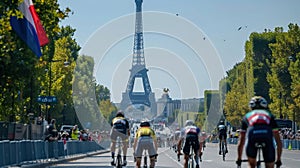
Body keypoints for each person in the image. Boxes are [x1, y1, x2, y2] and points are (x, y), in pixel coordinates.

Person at [236, 96, 282, 168]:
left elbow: (241, 141)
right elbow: (278, 141)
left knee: (251, 164)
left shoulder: (247, 116)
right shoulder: (270, 115)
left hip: (253, 134)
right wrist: (278, 159)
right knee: (270, 165)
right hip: (266, 135)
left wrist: (239, 158)